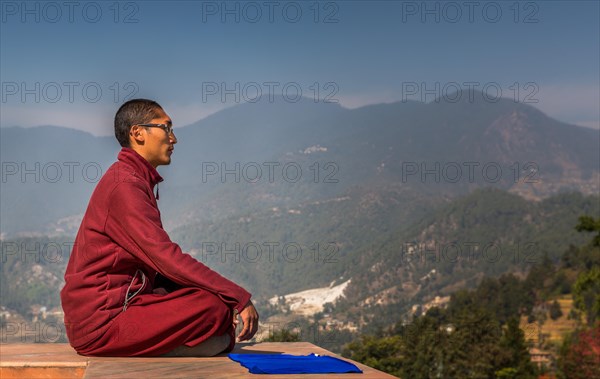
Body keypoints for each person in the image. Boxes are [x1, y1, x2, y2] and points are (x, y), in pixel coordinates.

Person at [60, 99, 258, 357]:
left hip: (123, 308)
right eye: (166, 128)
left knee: (212, 302)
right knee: (213, 309)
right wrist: (237, 296)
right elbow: (165, 258)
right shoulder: (125, 185)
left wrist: (214, 293)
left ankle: (205, 338)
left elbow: (156, 265)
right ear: (138, 133)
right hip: (103, 322)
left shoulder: (133, 178)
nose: (173, 139)